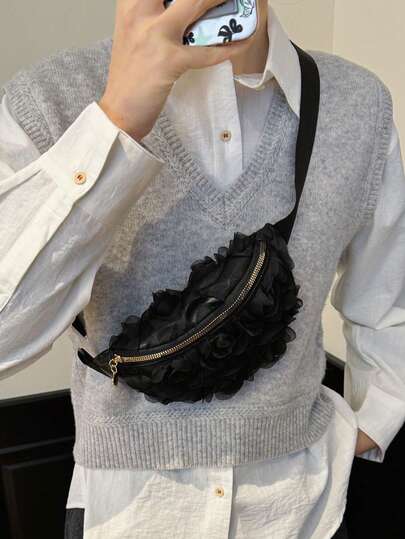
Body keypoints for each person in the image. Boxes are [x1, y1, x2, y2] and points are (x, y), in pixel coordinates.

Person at [1, 0, 405, 537]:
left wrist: (376, 419)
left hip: (304, 512)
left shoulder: (357, 103)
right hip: (130, 516)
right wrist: (115, 122)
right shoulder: (50, 99)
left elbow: (387, 297)